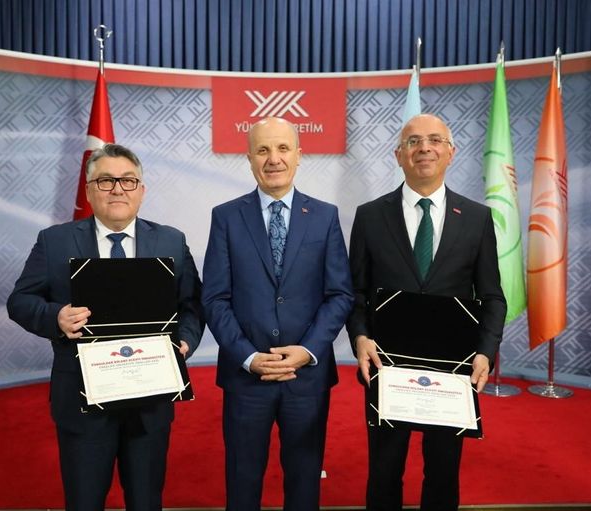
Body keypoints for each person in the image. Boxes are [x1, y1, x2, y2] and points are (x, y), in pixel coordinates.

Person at [7, 144, 204, 511]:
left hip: (150, 397)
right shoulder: (55, 241)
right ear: (88, 190)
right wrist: (56, 317)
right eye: (105, 181)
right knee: (84, 501)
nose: (117, 189)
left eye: (128, 181)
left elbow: (191, 305)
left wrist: (185, 343)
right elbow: (19, 301)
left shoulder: (171, 241)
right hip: (82, 400)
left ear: (141, 190)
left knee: (146, 501)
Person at [346, 113, 506, 511]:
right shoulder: (370, 216)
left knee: (443, 473)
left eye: (435, 140)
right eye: (413, 141)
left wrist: (485, 352)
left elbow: (492, 296)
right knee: (384, 472)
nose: (424, 148)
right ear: (399, 154)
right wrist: (360, 337)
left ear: (451, 152)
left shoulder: (477, 218)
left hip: (452, 371)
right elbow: (355, 292)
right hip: (385, 366)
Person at [201, 117, 353, 511]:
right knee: (242, 481)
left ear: (299, 155)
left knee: (304, 481)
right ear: (249, 158)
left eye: (283, 148)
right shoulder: (226, 217)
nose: (274, 159)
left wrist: (308, 350)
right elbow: (214, 298)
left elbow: (339, 294)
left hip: (307, 377)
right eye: (263, 150)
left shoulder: (324, 215)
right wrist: (248, 356)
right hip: (245, 376)